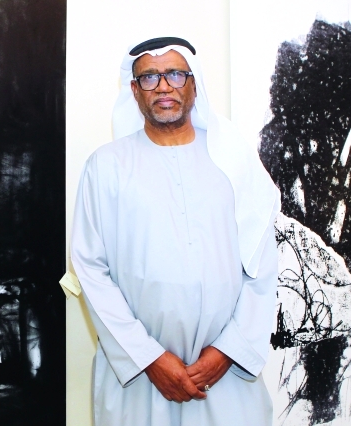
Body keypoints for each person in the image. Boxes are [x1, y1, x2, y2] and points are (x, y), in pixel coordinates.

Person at [70, 36, 281, 425]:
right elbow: (90, 269)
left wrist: (229, 351)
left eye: (175, 74)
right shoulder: (106, 166)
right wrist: (148, 357)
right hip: (139, 380)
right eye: (149, 77)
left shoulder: (233, 161)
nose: (164, 86)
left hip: (227, 379)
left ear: (194, 83)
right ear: (135, 90)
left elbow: (262, 263)